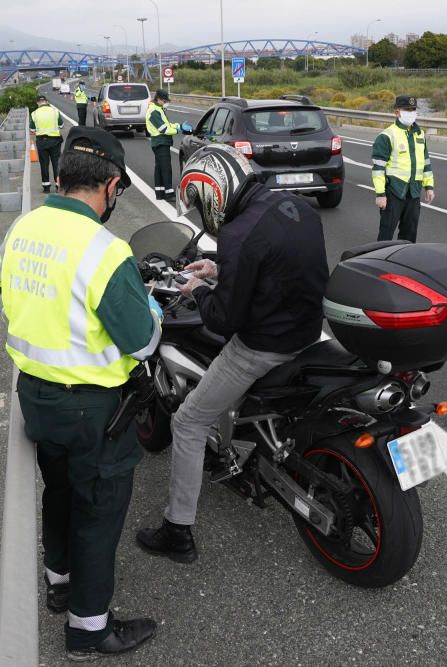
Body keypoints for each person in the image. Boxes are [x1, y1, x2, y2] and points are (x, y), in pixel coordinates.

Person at [0, 126, 163, 660]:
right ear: (111, 184)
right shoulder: (105, 250)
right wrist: (153, 310)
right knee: (99, 510)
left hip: (36, 398)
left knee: (61, 491)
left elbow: (8, 296)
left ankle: (58, 581)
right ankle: (89, 630)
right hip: (93, 409)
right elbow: (141, 341)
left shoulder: (21, 229)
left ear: (63, 174)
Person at [136, 144, 329, 563]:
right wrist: (219, 269)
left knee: (187, 423)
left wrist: (198, 289)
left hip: (262, 347)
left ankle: (177, 531)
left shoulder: (239, 234)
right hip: (307, 331)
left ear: (213, 194)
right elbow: (276, 267)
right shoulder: (292, 205)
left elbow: (223, 319)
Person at [372, 95, 435, 243]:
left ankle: (403, 264)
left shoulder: (419, 134)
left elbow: (425, 162)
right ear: (397, 112)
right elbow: (378, 168)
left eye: (413, 109)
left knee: (409, 235)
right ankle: (379, 262)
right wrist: (380, 194)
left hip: (413, 192)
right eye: (407, 109)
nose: (411, 112)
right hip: (394, 192)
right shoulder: (387, 135)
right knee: (386, 235)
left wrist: (429, 186)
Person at [144, 89, 192, 202]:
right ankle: (169, 193)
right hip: (160, 142)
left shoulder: (158, 109)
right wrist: (179, 131)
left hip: (160, 142)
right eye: (164, 100)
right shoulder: (154, 111)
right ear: (159, 99)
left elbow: (167, 124)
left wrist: (179, 126)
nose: (166, 102)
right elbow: (164, 129)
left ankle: (160, 193)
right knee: (166, 168)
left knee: (160, 168)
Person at [29, 94, 64, 194]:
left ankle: (46, 187)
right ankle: (58, 186)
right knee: (56, 163)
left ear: (37, 103)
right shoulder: (55, 111)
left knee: (44, 164)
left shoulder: (34, 114)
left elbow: (32, 129)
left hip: (42, 142)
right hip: (55, 141)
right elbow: (61, 125)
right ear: (47, 102)